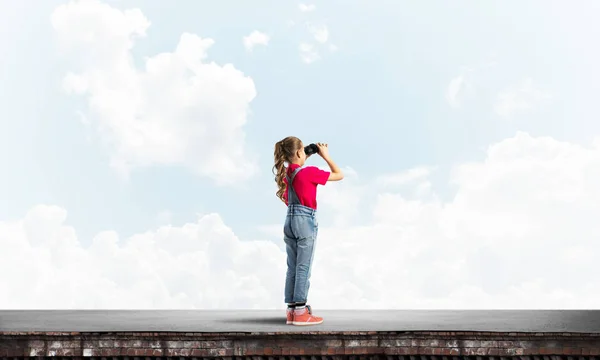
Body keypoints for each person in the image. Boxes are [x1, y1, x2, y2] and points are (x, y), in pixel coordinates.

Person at [272, 136, 344, 326]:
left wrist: (305, 154)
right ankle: (301, 313)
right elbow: (339, 174)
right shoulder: (309, 173)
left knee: (293, 266)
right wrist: (325, 155)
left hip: (289, 220)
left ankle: (291, 311)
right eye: (303, 150)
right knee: (304, 266)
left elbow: (291, 192)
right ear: (297, 152)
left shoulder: (287, 174)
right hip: (305, 220)